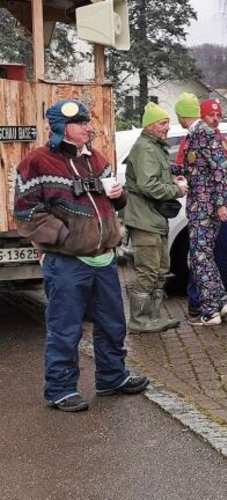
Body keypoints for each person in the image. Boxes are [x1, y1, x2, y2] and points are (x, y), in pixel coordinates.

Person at [14, 99, 149, 412]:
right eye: (82, 123)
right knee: (66, 328)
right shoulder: (38, 162)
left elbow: (114, 200)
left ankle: (112, 378)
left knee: (113, 324)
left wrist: (120, 195)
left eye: (89, 122)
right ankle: (60, 390)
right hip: (67, 264)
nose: (90, 128)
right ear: (62, 128)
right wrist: (62, 237)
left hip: (104, 260)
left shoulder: (97, 159)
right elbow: (25, 211)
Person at [123, 102, 187, 333]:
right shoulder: (147, 149)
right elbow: (148, 184)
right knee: (148, 271)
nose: (167, 127)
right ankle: (140, 321)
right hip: (144, 220)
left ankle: (154, 317)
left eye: (168, 123)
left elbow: (154, 180)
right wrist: (176, 191)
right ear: (149, 125)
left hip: (154, 219)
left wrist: (172, 182)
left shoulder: (154, 147)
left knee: (160, 270)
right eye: (162, 123)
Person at [173, 93, 227, 326]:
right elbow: (196, 169)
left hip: (205, 207)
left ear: (181, 115)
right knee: (204, 257)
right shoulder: (197, 135)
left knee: (200, 257)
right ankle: (221, 300)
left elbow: (221, 169)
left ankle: (210, 312)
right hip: (202, 205)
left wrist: (221, 203)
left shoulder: (205, 134)